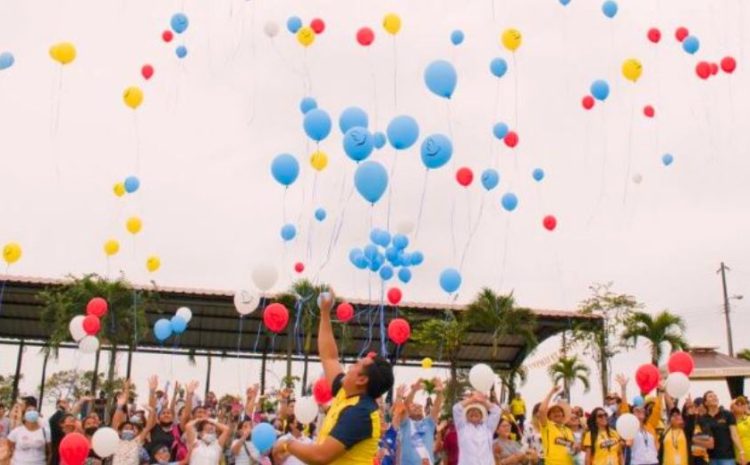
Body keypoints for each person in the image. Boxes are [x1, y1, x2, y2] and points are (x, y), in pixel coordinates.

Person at [273, 290, 395, 465]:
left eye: (357, 364)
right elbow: (329, 356)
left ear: (362, 380)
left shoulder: (360, 412)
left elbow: (320, 456)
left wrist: (287, 444)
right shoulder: (346, 394)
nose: (351, 366)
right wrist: (324, 312)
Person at [400, 378, 444, 465]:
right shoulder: (405, 423)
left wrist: (440, 393)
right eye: (414, 406)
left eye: (419, 406)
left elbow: (436, 407)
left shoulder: (429, 423)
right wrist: (414, 391)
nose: (417, 407)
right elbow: (405, 406)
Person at [452, 391, 502, 465]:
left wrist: (484, 401)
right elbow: (456, 409)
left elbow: (497, 411)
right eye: (470, 411)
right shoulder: (462, 427)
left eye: (477, 411)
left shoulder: (488, 428)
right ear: (466, 415)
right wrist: (472, 399)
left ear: (482, 416)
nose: (474, 412)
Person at [701, 391, 746, 465]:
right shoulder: (703, 419)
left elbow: (734, 435)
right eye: (710, 396)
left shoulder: (727, 414)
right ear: (706, 403)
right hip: (711, 458)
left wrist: (741, 451)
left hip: (727, 457)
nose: (714, 397)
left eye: (715, 396)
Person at [539, 386, 576, 465]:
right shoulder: (547, 426)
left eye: (559, 411)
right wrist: (552, 392)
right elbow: (542, 410)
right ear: (549, 416)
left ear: (563, 415)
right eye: (553, 412)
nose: (557, 413)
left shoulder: (568, 430)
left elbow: (573, 449)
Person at [683, 397, 713, 465]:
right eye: (688, 409)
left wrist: (694, 440)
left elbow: (711, 444)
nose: (692, 410)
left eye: (693, 407)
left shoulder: (703, 423)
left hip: (702, 459)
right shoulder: (684, 424)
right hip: (688, 459)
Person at [733, 397, 750, 465]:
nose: (740, 405)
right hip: (738, 458)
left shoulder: (748, 418)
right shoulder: (730, 422)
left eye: (742, 403)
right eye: (737, 404)